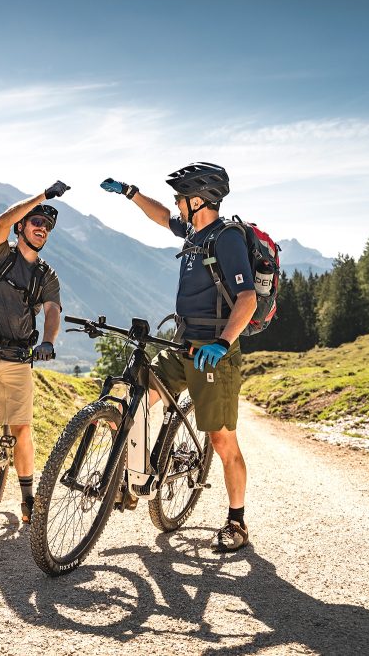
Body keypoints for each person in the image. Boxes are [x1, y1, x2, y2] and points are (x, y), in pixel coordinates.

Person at [100, 163, 257, 552]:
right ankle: (131, 478)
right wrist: (130, 192)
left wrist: (223, 343)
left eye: (180, 197)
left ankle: (236, 522)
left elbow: (248, 298)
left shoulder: (227, 238)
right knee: (131, 400)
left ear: (198, 200)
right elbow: (160, 216)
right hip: (180, 345)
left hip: (214, 353)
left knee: (222, 440)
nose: (175, 203)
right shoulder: (192, 231)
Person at [0, 181, 68, 524]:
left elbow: (52, 311)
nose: (42, 228)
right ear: (21, 226)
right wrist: (43, 196)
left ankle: (27, 499)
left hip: (17, 356)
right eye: (36, 222)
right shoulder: (0, 254)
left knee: (21, 428)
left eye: (47, 226)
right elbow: (0, 222)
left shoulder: (46, 275)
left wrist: (48, 341)